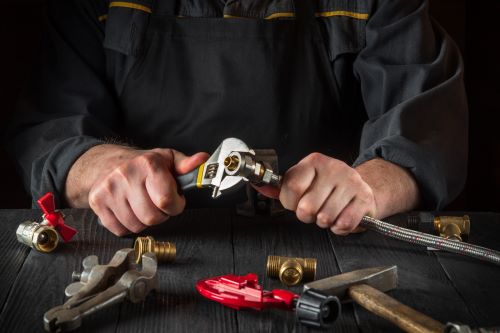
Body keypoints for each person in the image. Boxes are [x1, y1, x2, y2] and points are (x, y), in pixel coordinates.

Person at [6, 0, 467, 236]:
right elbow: (54, 128)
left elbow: (424, 126)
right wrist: (103, 169)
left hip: (331, 249)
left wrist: (368, 188)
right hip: (142, 251)